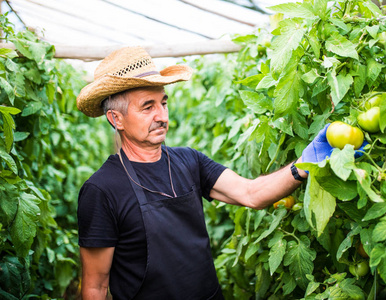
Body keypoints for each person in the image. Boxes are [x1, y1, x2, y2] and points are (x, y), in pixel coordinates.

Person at [76, 46, 335, 300]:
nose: (162, 116)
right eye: (147, 107)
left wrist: (302, 165)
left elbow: (251, 194)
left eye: (163, 103)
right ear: (116, 119)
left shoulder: (189, 161)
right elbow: (95, 287)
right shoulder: (102, 190)